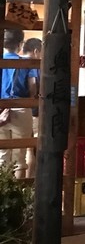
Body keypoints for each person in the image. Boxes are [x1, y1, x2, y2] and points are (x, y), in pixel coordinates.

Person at [0, 30, 38, 179]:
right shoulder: (27, 63)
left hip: (0, 109)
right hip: (21, 109)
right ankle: (18, 191)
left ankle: (3, 191)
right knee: (19, 158)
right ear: (20, 44)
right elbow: (33, 88)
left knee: (2, 155)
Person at [22, 37, 42, 177]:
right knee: (31, 150)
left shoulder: (13, 61)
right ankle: (29, 183)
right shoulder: (34, 66)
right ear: (36, 51)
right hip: (33, 112)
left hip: (10, 111)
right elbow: (34, 87)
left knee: (16, 152)